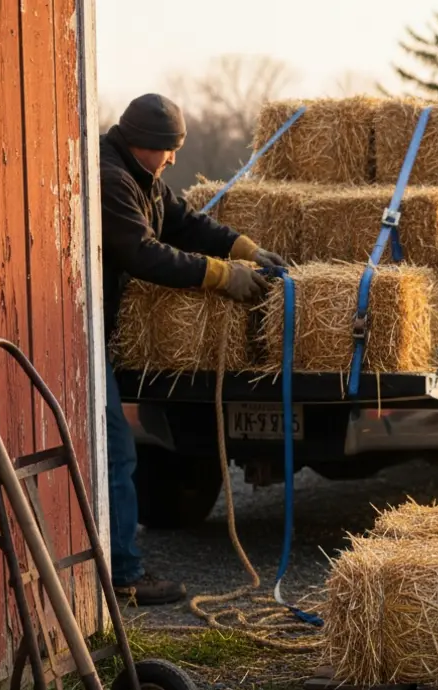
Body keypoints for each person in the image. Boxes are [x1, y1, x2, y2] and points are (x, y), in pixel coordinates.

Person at [100, 93, 284, 605]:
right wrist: (221, 276)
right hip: (80, 336)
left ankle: (114, 565)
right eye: (169, 149)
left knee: (112, 453)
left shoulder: (142, 178)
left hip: (99, 333)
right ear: (147, 144)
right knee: (116, 454)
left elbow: (185, 222)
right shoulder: (111, 181)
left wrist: (241, 247)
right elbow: (143, 254)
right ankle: (124, 576)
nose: (174, 160)